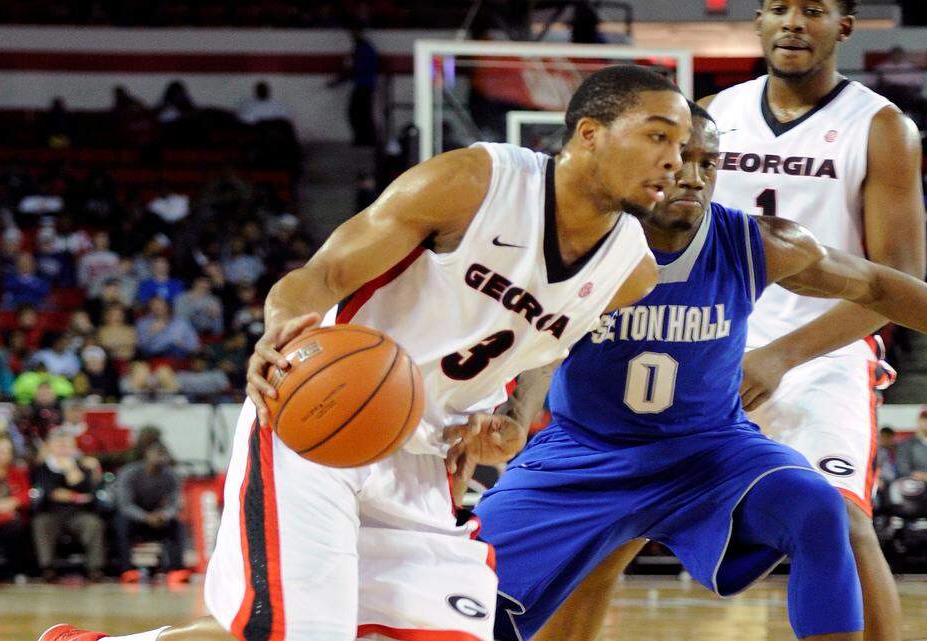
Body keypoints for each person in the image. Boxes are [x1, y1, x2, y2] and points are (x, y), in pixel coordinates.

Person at [39, 64, 683, 641]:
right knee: (301, 633)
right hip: (319, 425)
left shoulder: (633, 272)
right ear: (590, 133)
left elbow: (547, 346)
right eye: (658, 136)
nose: (674, 161)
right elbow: (320, 277)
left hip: (424, 462)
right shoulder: (474, 182)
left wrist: (514, 418)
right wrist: (280, 328)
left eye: (682, 146)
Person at [470, 105, 927, 641]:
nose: (690, 175)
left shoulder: (754, 242)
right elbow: (542, 344)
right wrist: (519, 413)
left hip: (708, 454)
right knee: (466, 582)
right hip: (586, 456)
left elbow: (884, 285)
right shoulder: (585, 237)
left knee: (822, 510)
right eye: (676, 159)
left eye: (708, 163)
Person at [697, 3, 924, 641]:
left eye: (813, 10)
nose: (793, 22)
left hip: (822, 353)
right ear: (759, 21)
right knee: (611, 521)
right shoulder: (711, 115)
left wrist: (781, 356)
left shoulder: (880, 127)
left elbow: (901, 287)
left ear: (843, 26)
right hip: (708, 344)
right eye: (779, 8)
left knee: (843, 524)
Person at [31, 429, 106, 582]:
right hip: (51, 513)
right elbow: (50, 492)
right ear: (50, 447)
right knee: (41, 523)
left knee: (93, 524)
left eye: (67, 445)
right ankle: (47, 568)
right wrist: (76, 495)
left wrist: (72, 472)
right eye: (59, 444)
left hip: (78, 514)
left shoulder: (83, 466)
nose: (63, 448)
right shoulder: (43, 467)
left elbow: (89, 493)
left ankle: (94, 568)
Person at [114, 441, 191, 585]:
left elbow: (175, 504)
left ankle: (176, 569)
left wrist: (164, 515)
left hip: (158, 517)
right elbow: (125, 505)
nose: (160, 458)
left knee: (176, 525)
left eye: (163, 455)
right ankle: (127, 570)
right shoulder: (130, 473)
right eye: (157, 454)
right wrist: (145, 517)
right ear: (146, 455)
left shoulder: (171, 475)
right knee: (121, 523)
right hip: (135, 517)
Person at [0, 436, 31, 580]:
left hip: (10, 515)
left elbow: (26, 494)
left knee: (16, 526)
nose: (5, 456)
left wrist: (13, 502)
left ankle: (13, 570)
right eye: (1, 451)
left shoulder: (17, 473)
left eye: (8, 452)